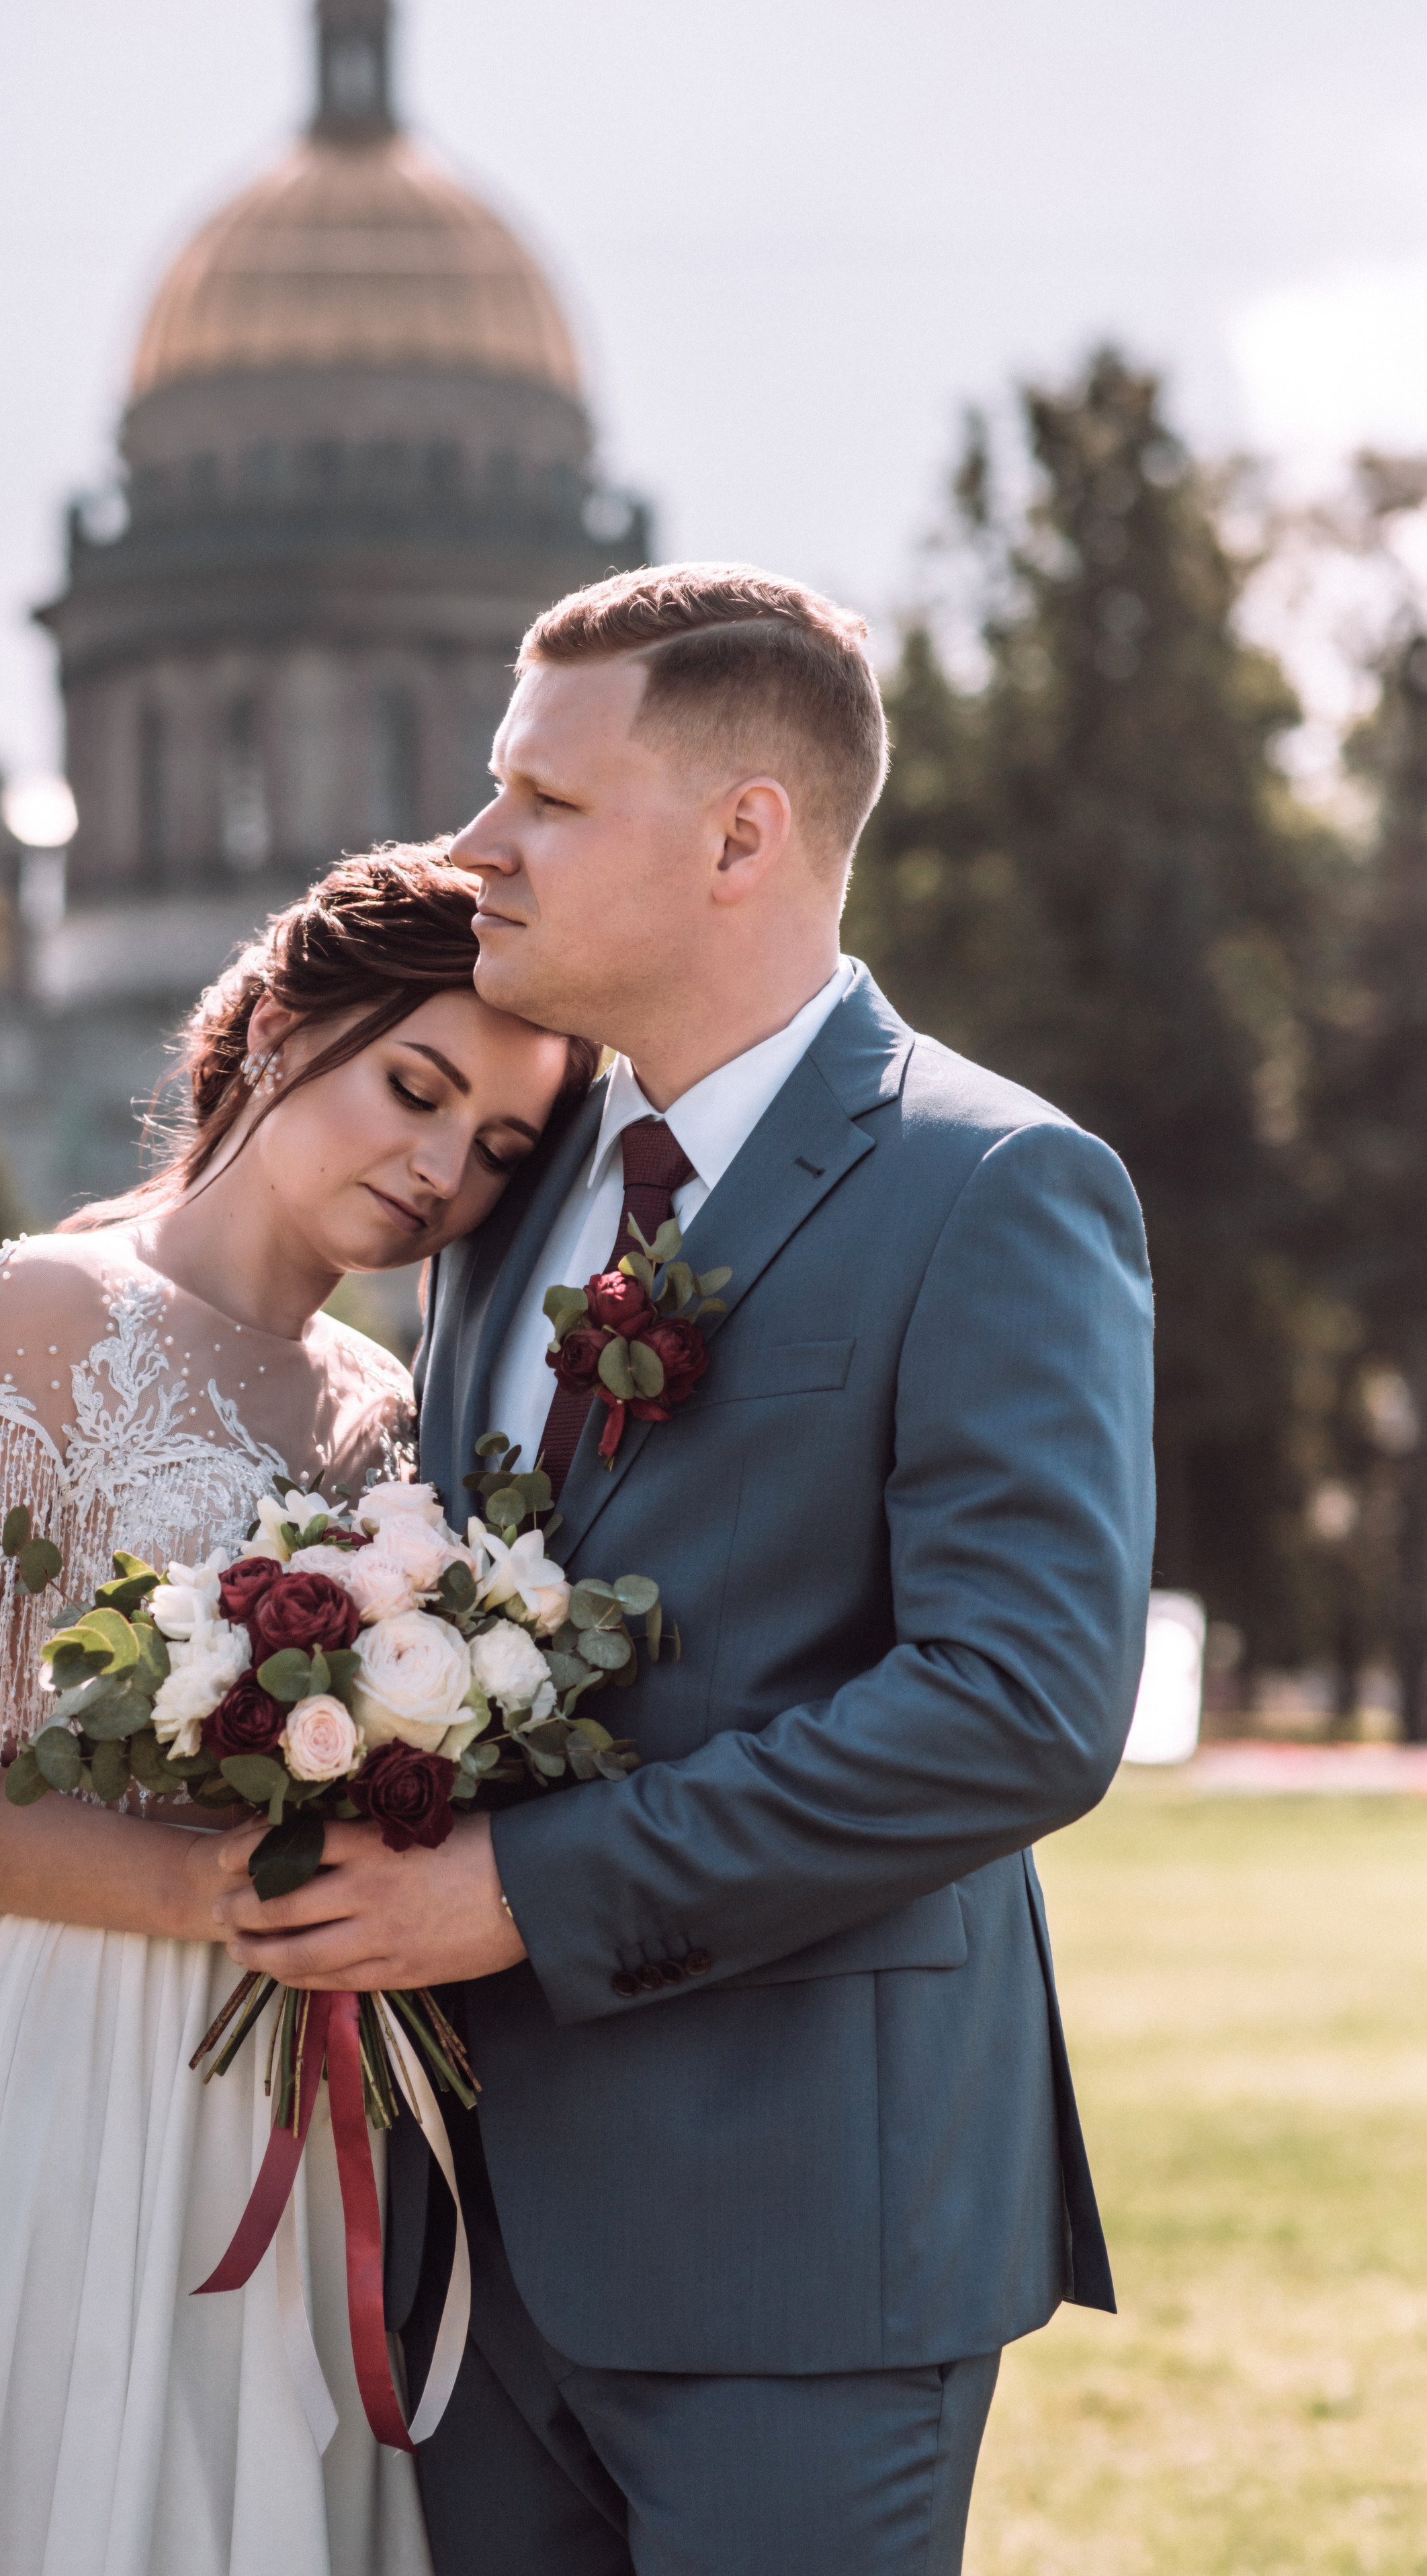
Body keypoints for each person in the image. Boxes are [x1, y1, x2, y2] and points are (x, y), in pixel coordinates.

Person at [211, 566, 1156, 2575]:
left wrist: (518, 1891)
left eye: (544, 799)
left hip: (802, 2237)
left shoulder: (995, 1187)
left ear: (743, 836)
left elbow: (1017, 1707)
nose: (476, 846)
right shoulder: (502, 1190)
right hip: (466, 2242)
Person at [0, 847, 595, 2576]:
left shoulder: (396, 1406)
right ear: (280, 1026)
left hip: (322, 2084)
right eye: (415, 1088)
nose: (441, 1170)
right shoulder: (37, 1315)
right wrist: (199, 1890)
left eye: (498, 1149)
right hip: (64, 2053)